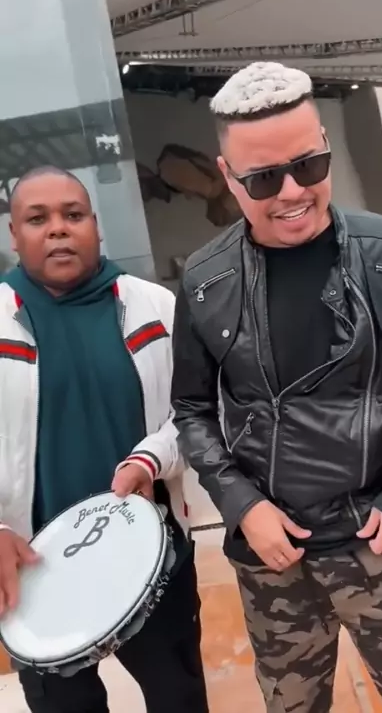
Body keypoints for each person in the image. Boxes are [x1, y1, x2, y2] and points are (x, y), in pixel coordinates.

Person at [171, 62, 382, 713]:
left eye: (309, 166)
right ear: (227, 175)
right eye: (262, 178)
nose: (291, 192)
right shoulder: (203, 280)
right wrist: (242, 506)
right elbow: (192, 410)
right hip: (275, 555)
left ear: (327, 148)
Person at [0, 167, 209, 713]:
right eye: (37, 219)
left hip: (152, 555)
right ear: (14, 234)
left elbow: (194, 414)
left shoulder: (155, 307)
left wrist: (150, 459)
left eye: (73, 215)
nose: (58, 229)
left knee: (179, 698)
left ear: (95, 224)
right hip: (34, 570)